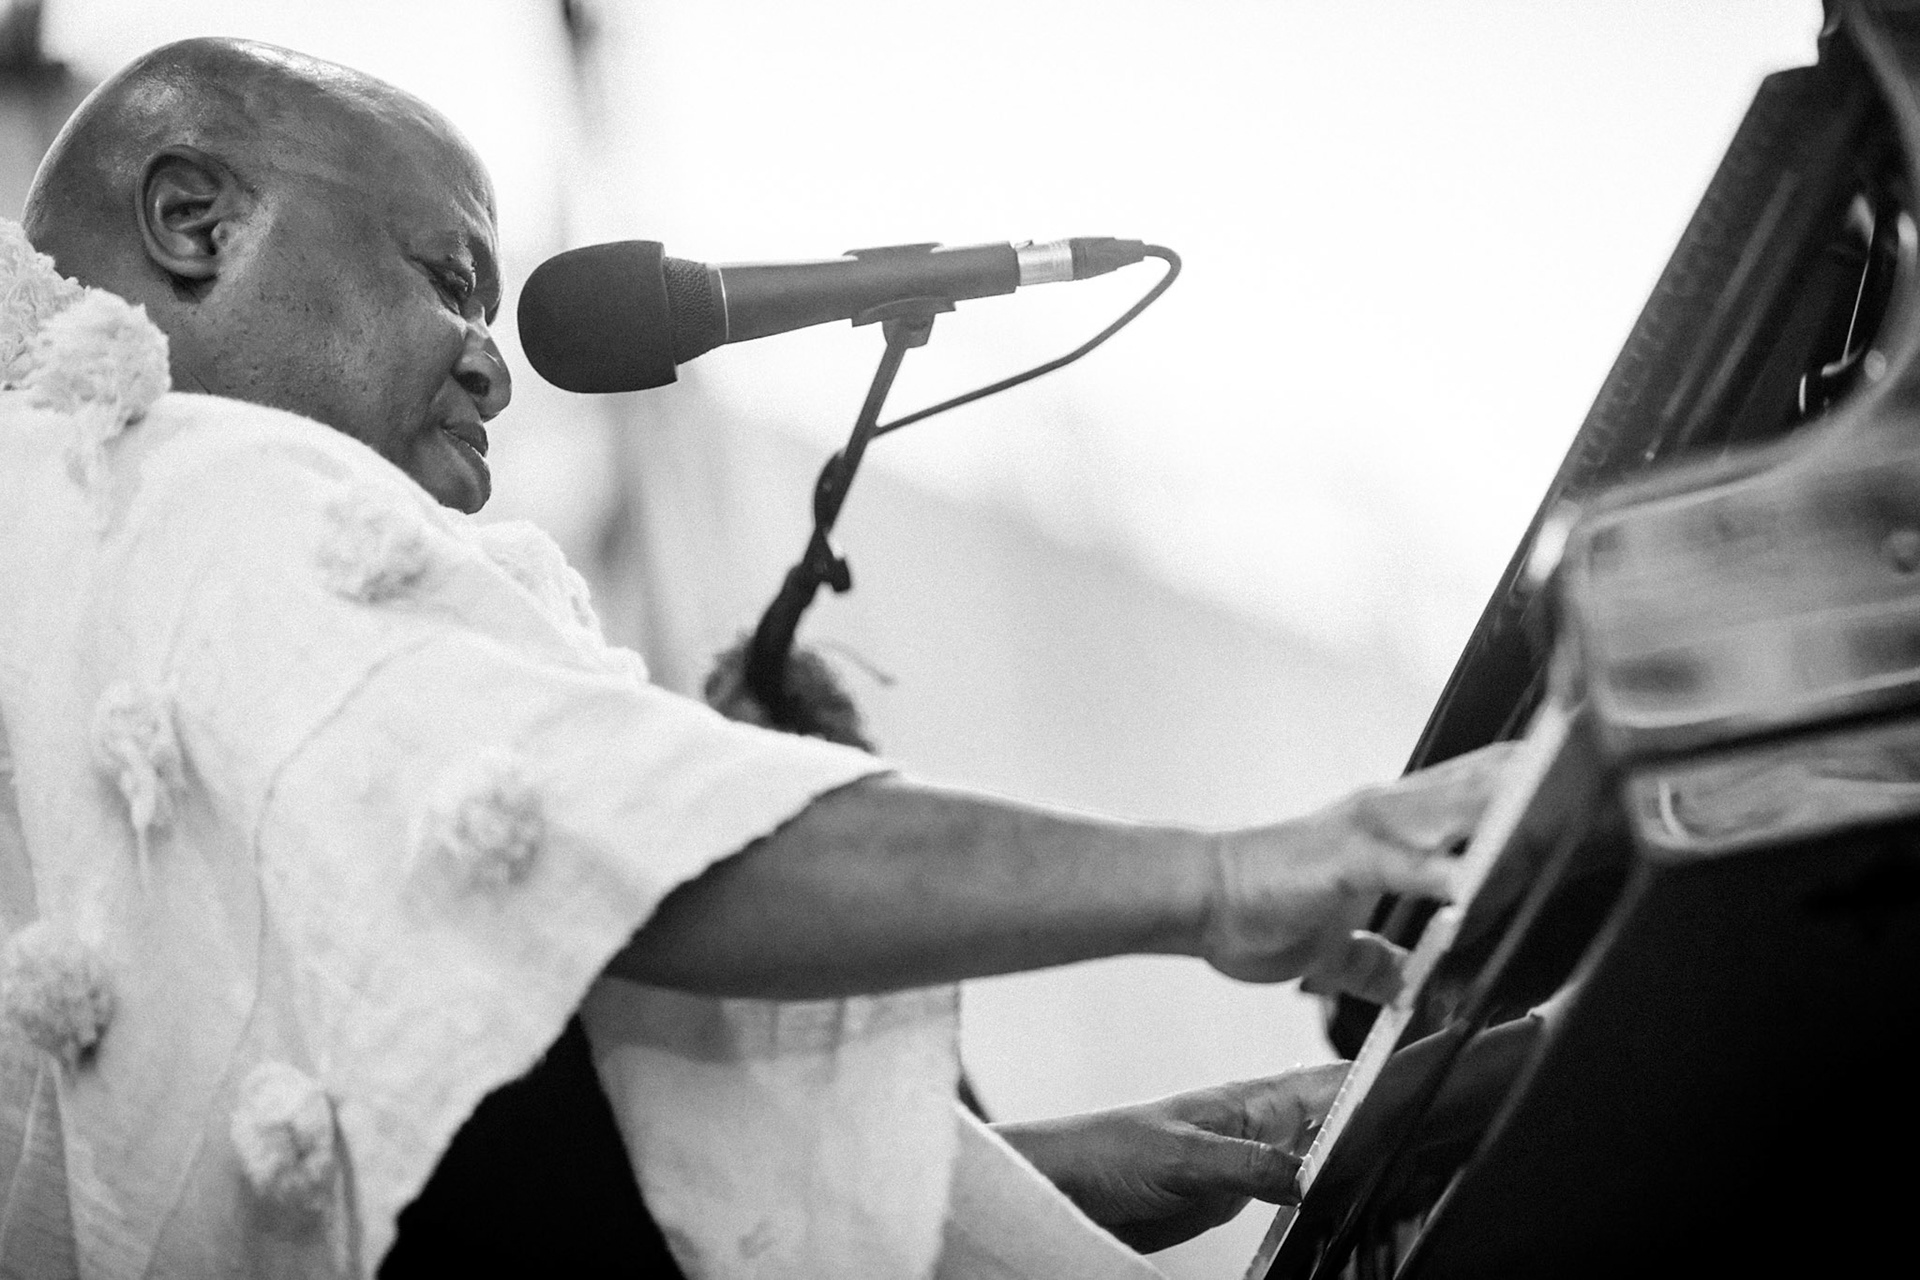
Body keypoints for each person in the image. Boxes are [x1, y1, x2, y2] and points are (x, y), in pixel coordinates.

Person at [0, 36, 1512, 1279]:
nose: (496, 357)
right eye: (447, 277)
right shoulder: (195, 485)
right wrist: (1229, 874)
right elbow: (602, 840)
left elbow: (503, 1182)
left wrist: (1069, 1177)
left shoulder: (83, 575)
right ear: (196, 221)